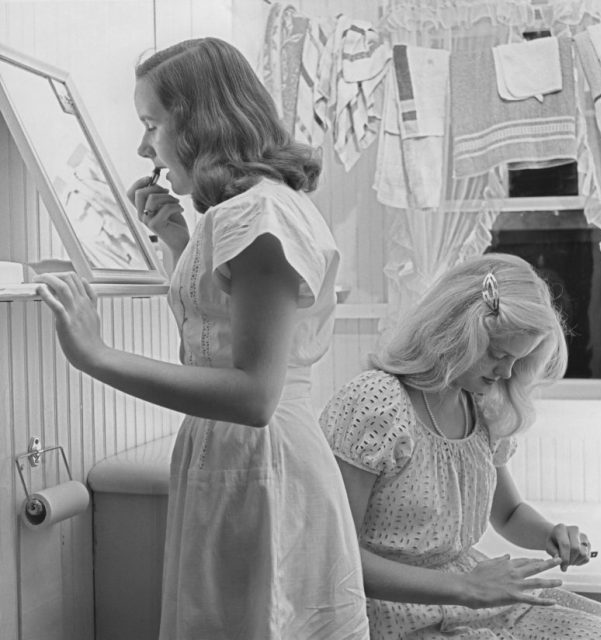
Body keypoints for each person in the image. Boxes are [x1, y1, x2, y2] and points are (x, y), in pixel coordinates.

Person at [35, 38, 369, 640]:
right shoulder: (244, 213)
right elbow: (220, 329)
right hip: (238, 459)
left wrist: (97, 356)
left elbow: (253, 395)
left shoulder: (260, 216)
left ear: (195, 125)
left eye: (151, 125)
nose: (144, 147)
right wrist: (175, 239)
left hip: (262, 459)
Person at [319, 253, 601, 639]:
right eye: (498, 355)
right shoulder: (376, 402)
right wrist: (469, 588)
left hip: (476, 598)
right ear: (456, 334)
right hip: (396, 613)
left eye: (518, 359)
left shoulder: (480, 406)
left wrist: (551, 535)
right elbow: (336, 556)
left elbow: (509, 514)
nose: (507, 373)